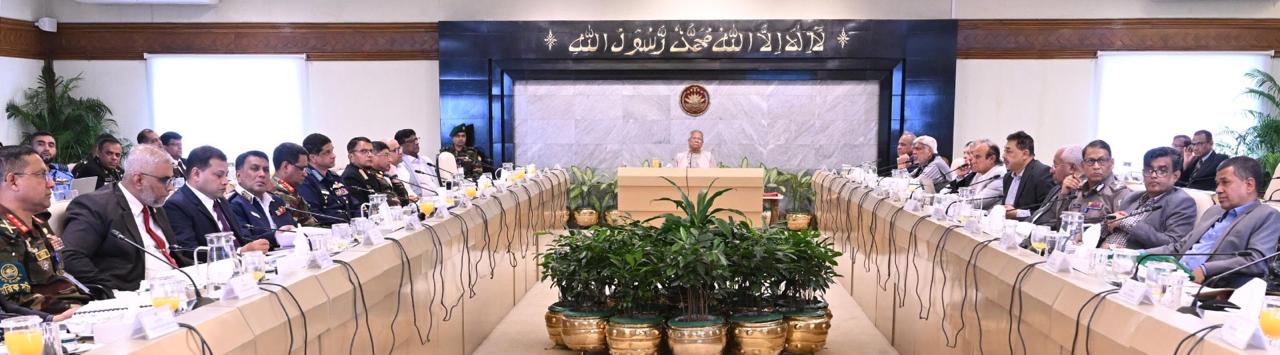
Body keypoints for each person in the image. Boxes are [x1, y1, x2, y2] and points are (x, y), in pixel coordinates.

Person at [61, 145, 193, 291]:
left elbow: (174, 253)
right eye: (165, 180)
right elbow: (70, 256)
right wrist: (109, 291)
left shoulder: (153, 203)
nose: (171, 188)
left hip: (177, 287)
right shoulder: (95, 206)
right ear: (138, 180)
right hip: (134, 296)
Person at [1146, 156, 1280, 288]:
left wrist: (1206, 269)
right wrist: (1141, 254)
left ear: (1249, 185)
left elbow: (1255, 261)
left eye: (1225, 182)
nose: (1218, 189)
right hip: (1173, 275)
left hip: (1209, 285)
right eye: (1217, 184)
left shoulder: (1267, 215)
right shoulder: (1214, 211)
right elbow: (1179, 247)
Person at [0, 146, 89, 316]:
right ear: (13, 181)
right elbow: (14, 301)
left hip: (74, 308)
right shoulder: (4, 232)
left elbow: (58, 276)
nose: (51, 183)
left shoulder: (39, 222)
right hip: (43, 323)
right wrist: (68, 312)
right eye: (41, 175)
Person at [162, 146, 267, 252]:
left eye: (226, 175)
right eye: (219, 175)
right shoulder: (176, 205)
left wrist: (271, 238)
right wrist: (239, 253)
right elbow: (188, 252)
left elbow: (239, 239)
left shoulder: (221, 200)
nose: (225, 181)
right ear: (196, 174)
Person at [1100, 147, 1198, 249]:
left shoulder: (1182, 202)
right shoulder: (1131, 197)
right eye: (1149, 170)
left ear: (1175, 176)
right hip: (1101, 253)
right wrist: (1108, 222)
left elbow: (1173, 244)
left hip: (1135, 260)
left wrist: (1125, 222)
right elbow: (1111, 227)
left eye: (1162, 171)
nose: (1153, 175)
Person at [1042, 140, 1133, 226]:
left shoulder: (1120, 193)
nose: (1096, 166)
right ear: (1082, 165)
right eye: (1090, 161)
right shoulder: (1077, 190)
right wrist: (1064, 194)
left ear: (1112, 163)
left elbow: (1120, 233)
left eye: (1102, 161)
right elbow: (1061, 226)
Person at [227, 151, 296, 249]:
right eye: (255, 169)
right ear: (239, 176)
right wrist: (276, 237)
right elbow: (244, 242)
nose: (262, 174)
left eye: (266, 170)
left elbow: (293, 228)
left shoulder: (276, 201)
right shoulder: (233, 204)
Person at [297, 134, 352, 225]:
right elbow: (315, 214)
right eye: (327, 152)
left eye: (332, 151)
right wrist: (345, 220)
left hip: (347, 226)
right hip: (328, 230)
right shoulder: (305, 181)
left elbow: (352, 203)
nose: (333, 156)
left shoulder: (334, 177)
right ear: (313, 157)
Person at [1001, 131, 1056, 220]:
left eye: (1008, 151)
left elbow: (1046, 212)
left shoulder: (1042, 174)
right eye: (1004, 151)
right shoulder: (1008, 177)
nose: (1003, 156)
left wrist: (1017, 213)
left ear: (1025, 154)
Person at [1030, 145, 1082, 225]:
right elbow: (1039, 213)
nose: (1051, 171)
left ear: (1072, 168)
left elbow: (1061, 225)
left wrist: (1064, 194)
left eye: (1055, 165)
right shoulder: (1056, 188)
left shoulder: (1078, 194)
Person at [272, 143, 320, 227]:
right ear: (286, 166)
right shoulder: (274, 195)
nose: (305, 174)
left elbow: (308, 222)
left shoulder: (291, 190)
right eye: (301, 168)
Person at [962, 140, 1006, 210]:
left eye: (977, 157)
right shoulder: (980, 172)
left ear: (992, 159)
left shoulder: (999, 175)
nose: (972, 161)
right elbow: (967, 194)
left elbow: (977, 203)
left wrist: (953, 200)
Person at [394, 129, 439, 198]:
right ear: (401, 146)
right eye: (411, 141)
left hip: (437, 197)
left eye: (416, 139)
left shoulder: (426, 160)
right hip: (420, 201)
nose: (416, 142)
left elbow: (436, 181)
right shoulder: (400, 164)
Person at [342, 137, 383, 210]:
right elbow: (360, 207)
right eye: (363, 151)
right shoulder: (350, 176)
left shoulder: (371, 172)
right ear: (351, 156)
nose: (370, 155)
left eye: (371, 151)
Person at [368, 141, 408, 206]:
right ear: (373, 156)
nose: (390, 160)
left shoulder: (382, 174)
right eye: (386, 155)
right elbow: (395, 203)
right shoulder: (370, 176)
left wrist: (395, 180)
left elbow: (405, 202)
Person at [380, 139, 418, 204]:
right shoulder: (383, 171)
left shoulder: (401, 166)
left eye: (400, 148)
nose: (400, 152)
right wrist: (405, 199)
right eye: (396, 150)